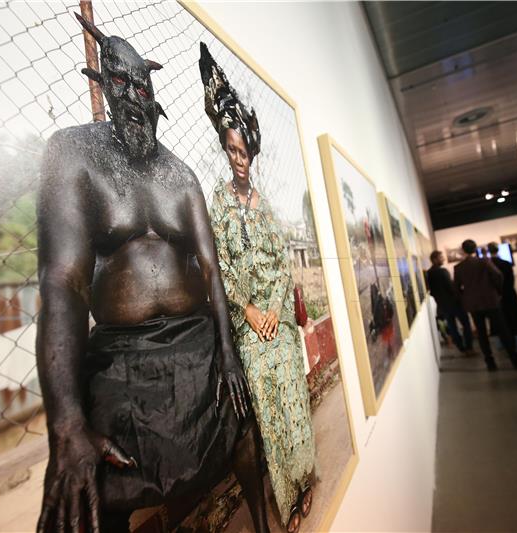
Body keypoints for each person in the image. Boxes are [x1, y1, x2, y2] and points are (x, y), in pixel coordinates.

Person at [35, 18, 269, 533]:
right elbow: (63, 282)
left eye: (143, 86)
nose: (136, 98)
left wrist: (228, 354)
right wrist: (66, 420)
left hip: (195, 338)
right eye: (122, 85)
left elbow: (211, 269)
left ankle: (264, 525)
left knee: (241, 423)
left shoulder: (180, 176)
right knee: (99, 482)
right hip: (121, 353)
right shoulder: (75, 154)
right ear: (102, 83)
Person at [201, 43, 315, 532]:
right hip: (250, 330)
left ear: (253, 149)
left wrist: (272, 308)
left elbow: (282, 266)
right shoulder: (217, 202)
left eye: (244, 150)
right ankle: (287, 499)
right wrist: (248, 310)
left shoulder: (266, 205)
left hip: (280, 325)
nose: (239, 159)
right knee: (269, 416)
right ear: (225, 151)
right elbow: (219, 265)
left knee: (295, 407)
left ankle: (306, 480)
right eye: (231, 150)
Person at [453, 239, 517, 371]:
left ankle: (490, 363)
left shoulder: (459, 267)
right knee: (503, 331)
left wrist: (466, 297)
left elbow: (456, 288)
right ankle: (515, 360)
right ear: (475, 248)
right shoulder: (483, 261)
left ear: (463, 250)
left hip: (474, 305)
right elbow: (498, 275)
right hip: (491, 301)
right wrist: (498, 291)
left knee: (482, 334)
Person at [426, 250, 474, 355]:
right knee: (465, 324)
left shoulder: (429, 273)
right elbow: (451, 288)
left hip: (443, 305)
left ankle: (462, 349)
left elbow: (431, 291)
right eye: (441, 257)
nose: (443, 259)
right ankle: (469, 348)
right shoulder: (442, 271)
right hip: (454, 303)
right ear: (434, 259)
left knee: (452, 328)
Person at [487, 242, 517, 341]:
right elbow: (511, 281)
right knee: (513, 317)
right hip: (509, 294)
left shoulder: (487, 265)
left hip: (494, 296)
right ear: (498, 250)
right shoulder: (506, 263)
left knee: (500, 319)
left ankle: (503, 341)